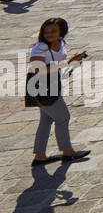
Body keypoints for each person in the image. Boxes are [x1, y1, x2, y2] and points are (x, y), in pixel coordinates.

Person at [28, 17, 90, 165]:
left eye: (53, 31)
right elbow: (38, 70)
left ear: (61, 32)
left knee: (46, 119)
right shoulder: (40, 48)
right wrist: (66, 63)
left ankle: (40, 156)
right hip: (42, 86)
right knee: (63, 118)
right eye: (46, 31)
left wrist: (73, 62)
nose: (49, 34)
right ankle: (68, 152)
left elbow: (59, 66)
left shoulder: (60, 44)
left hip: (53, 83)